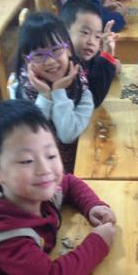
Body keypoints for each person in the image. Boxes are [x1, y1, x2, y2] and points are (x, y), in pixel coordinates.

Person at [0, 99, 116, 275]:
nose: (44, 169)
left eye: (50, 155)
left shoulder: (31, 192)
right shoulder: (7, 238)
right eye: (27, 161)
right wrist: (99, 241)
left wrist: (92, 206)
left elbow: (69, 182)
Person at [9, 11, 94, 173]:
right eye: (38, 55)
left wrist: (58, 92)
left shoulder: (81, 90)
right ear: (27, 60)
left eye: (56, 50)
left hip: (76, 169)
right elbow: (30, 137)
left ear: (68, 49)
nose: (49, 61)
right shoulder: (19, 93)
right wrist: (44, 96)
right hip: (33, 172)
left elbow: (67, 135)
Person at [59, 0, 121, 108]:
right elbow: (93, 99)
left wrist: (109, 56)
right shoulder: (65, 67)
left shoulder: (82, 54)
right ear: (64, 33)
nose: (91, 41)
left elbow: (116, 67)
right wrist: (107, 57)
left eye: (97, 36)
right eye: (85, 32)